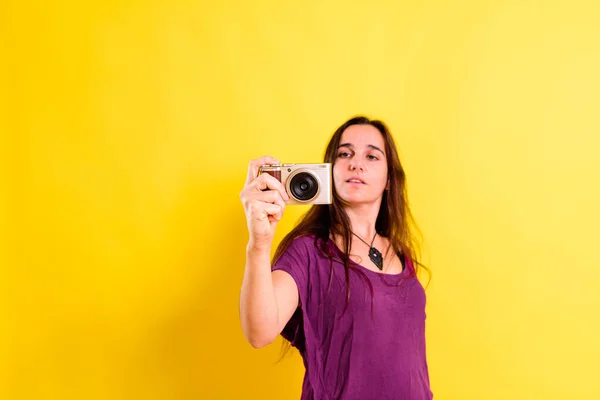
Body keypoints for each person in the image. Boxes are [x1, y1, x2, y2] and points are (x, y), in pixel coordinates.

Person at [239, 116, 433, 399]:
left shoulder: (402, 253)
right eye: (345, 154)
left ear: (390, 178)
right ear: (328, 171)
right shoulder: (308, 252)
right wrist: (259, 243)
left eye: (371, 155)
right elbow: (259, 332)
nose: (356, 163)